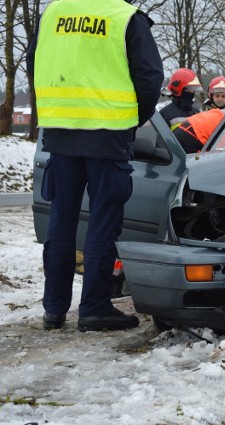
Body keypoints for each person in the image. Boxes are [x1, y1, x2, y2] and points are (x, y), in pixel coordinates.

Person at [26, 0, 164, 331]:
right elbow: (149, 78)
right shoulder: (125, 17)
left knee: (61, 220)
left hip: (61, 132)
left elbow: (34, 63)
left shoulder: (54, 13)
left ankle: (54, 308)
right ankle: (94, 308)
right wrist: (131, 122)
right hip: (108, 134)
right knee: (102, 223)